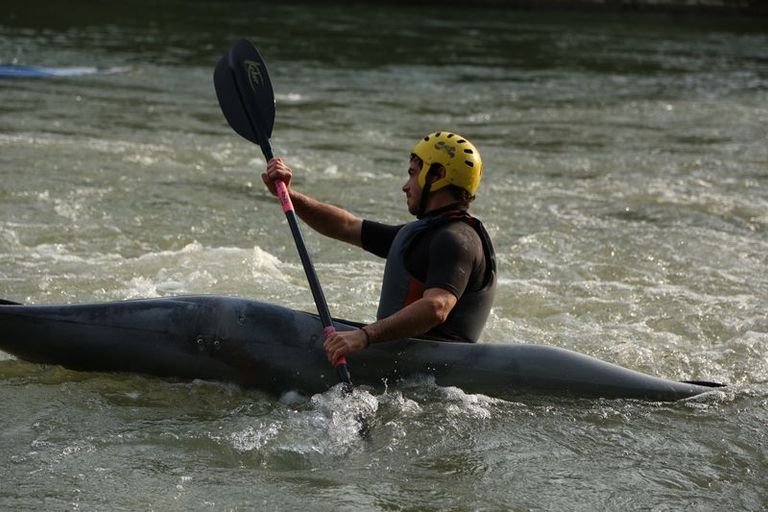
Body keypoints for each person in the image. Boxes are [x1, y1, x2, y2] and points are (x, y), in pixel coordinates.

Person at [262, 131, 496, 365]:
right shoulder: (426, 234)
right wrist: (289, 195)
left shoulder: (456, 240)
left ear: (437, 175)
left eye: (412, 173)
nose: (405, 186)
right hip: (399, 358)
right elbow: (346, 226)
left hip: (432, 370)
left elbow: (437, 306)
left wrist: (364, 336)